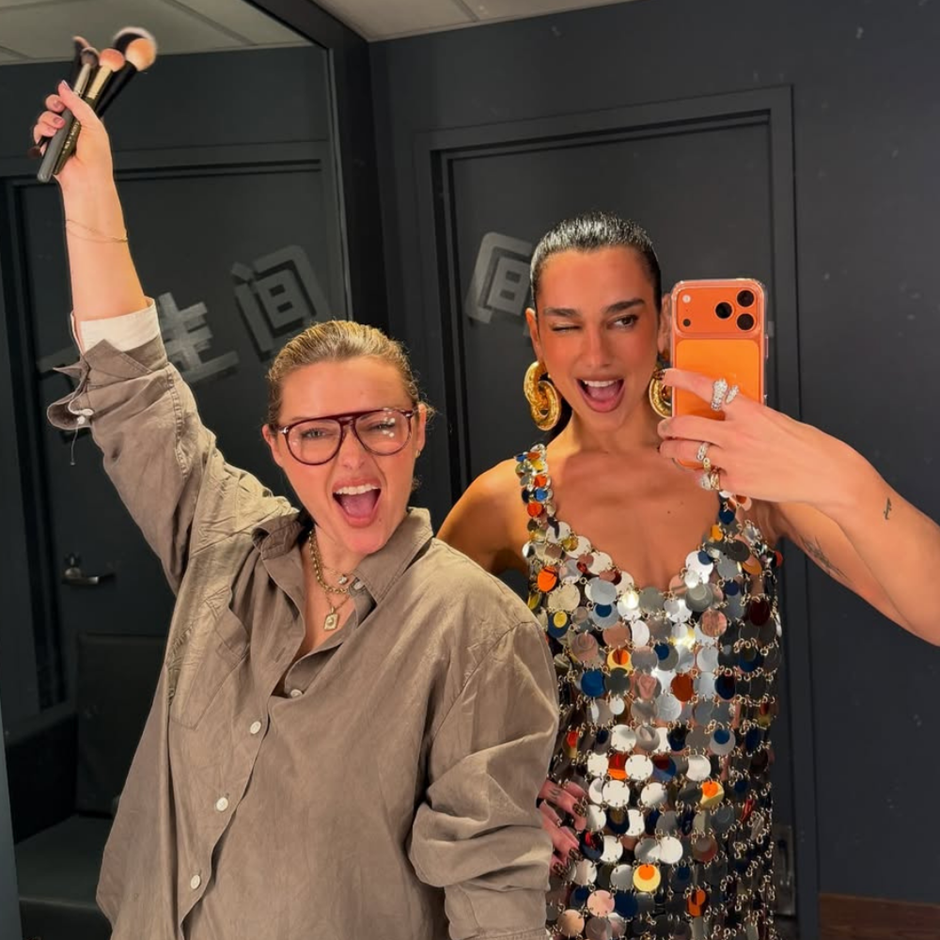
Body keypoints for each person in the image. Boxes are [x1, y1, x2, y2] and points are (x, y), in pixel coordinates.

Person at [31, 82, 560, 940]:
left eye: (378, 424)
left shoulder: (477, 629)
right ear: (277, 447)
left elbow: (489, 883)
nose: (352, 459)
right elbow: (134, 387)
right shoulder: (224, 539)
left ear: (417, 431)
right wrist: (89, 188)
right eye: (316, 433)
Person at [439, 210, 940, 940]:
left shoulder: (749, 480)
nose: (597, 354)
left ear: (666, 322)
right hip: (574, 899)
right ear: (537, 335)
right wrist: (496, 787)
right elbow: (412, 677)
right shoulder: (505, 501)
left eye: (623, 319)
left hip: (730, 894)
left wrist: (843, 479)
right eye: (568, 325)